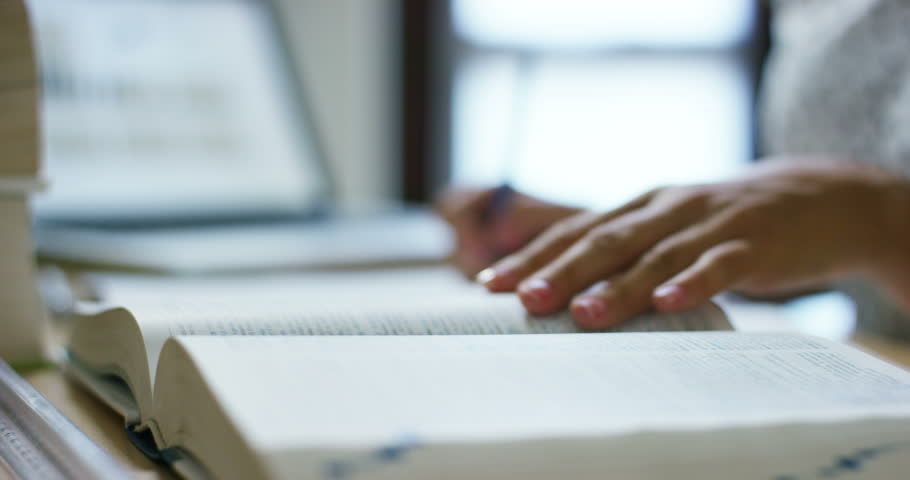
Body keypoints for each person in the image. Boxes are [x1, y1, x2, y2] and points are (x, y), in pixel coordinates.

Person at [436, 0, 910, 339]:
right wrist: (639, 244)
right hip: (873, 371)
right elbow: (833, 262)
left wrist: (884, 221)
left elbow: (865, 227)